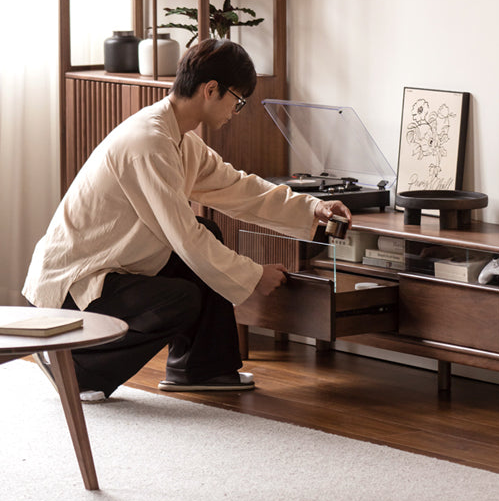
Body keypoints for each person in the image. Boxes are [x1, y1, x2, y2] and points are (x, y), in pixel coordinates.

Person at [22, 39, 351, 401]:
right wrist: (254, 275)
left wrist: (312, 208)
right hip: (74, 287)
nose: (236, 112)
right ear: (211, 90)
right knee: (180, 296)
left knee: (207, 233)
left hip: (107, 276)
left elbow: (239, 188)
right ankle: (77, 369)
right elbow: (184, 237)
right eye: (237, 101)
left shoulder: (179, 139)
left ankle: (201, 369)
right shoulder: (149, 143)